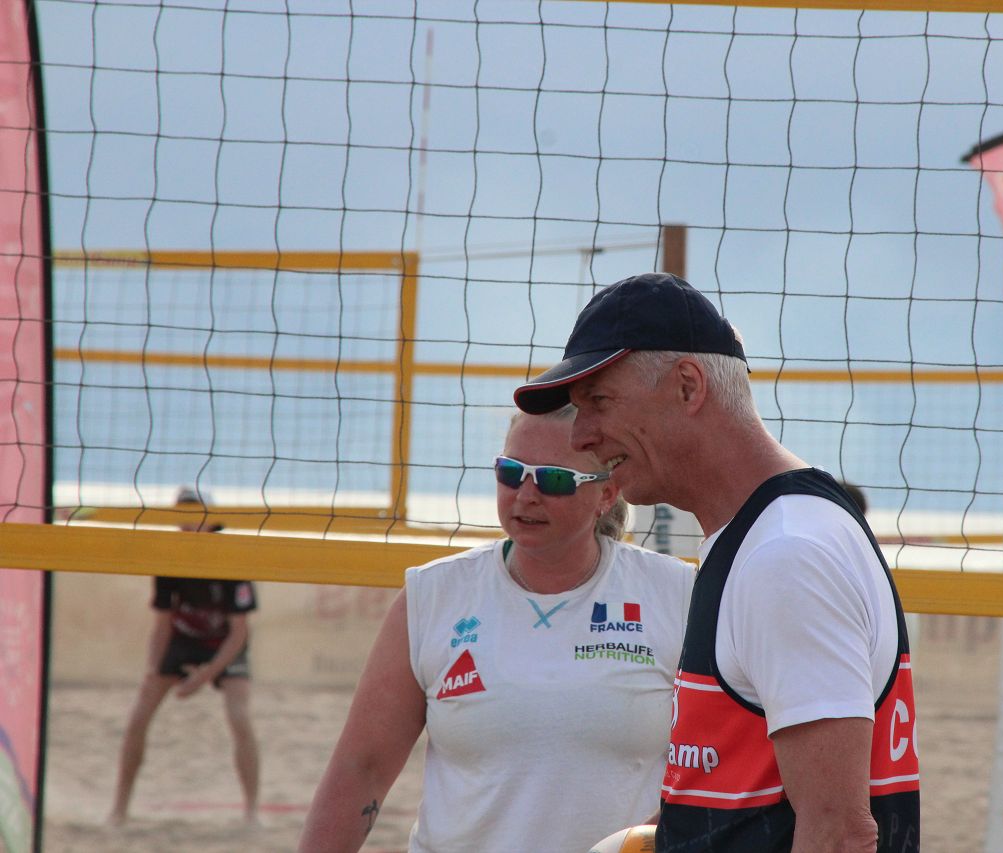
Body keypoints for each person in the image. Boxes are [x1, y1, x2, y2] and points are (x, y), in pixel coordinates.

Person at [514, 272, 920, 852]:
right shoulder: (764, 534)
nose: (580, 437)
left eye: (598, 402)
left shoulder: (786, 555)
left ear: (687, 386)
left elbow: (839, 832)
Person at [298, 405, 695, 852]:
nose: (526, 495)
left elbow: (720, 768)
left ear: (607, 493)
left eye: (553, 479)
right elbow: (361, 769)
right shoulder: (434, 595)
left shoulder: (675, 593)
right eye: (511, 473)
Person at [109, 487, 260, 826]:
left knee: (240, 717)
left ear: (212, 519)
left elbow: (239, 633)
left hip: (225, 644)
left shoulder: (232, 557)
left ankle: (251, 811)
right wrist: (153, 669)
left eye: (195, 514)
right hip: (184, 640)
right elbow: (162, 624)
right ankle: (119, 809)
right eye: (183, 514)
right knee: (139, 717)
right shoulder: (170, 555)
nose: (188, 521)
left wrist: (204, 676)